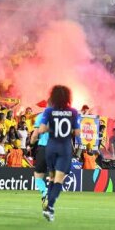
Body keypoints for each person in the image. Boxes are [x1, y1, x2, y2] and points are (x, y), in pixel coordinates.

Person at [38, 86, 80, 222]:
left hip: (51, 147)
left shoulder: (49, 111)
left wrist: (51, 128)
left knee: (51, 177)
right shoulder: (73, 112)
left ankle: (48, 204)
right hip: (64, 148)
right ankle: (50, 206)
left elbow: (42, 129)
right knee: (58, 179)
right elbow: (77, 132)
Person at [29, 100, 51, 207]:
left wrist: (31, 143)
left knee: (38, 175)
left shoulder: (41, 117)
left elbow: (34, 136)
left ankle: (44, 191)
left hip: (44, 147)